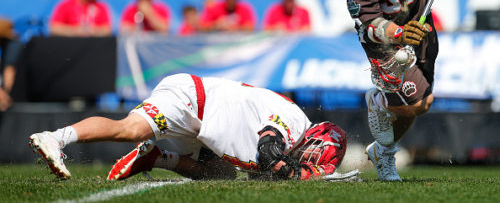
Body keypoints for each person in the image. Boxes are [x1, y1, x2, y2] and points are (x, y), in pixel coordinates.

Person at [336, 0, 472, 181]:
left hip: (421, 20)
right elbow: (368, 22)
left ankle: (382, 150)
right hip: (384, 38)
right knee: (418, 104)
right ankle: (381, 103)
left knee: (420, 103)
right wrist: (398, 34)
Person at [29, 73, 347, 181]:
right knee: (129, 129)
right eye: (321, 154)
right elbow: (268, 148)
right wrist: (290, 173)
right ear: (315, 138)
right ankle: (56, 138)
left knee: (220, 175)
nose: (316, 161)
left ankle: (156, 158)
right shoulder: (294, 121)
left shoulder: (295, 131)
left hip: (205, 129)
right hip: (193, 102)